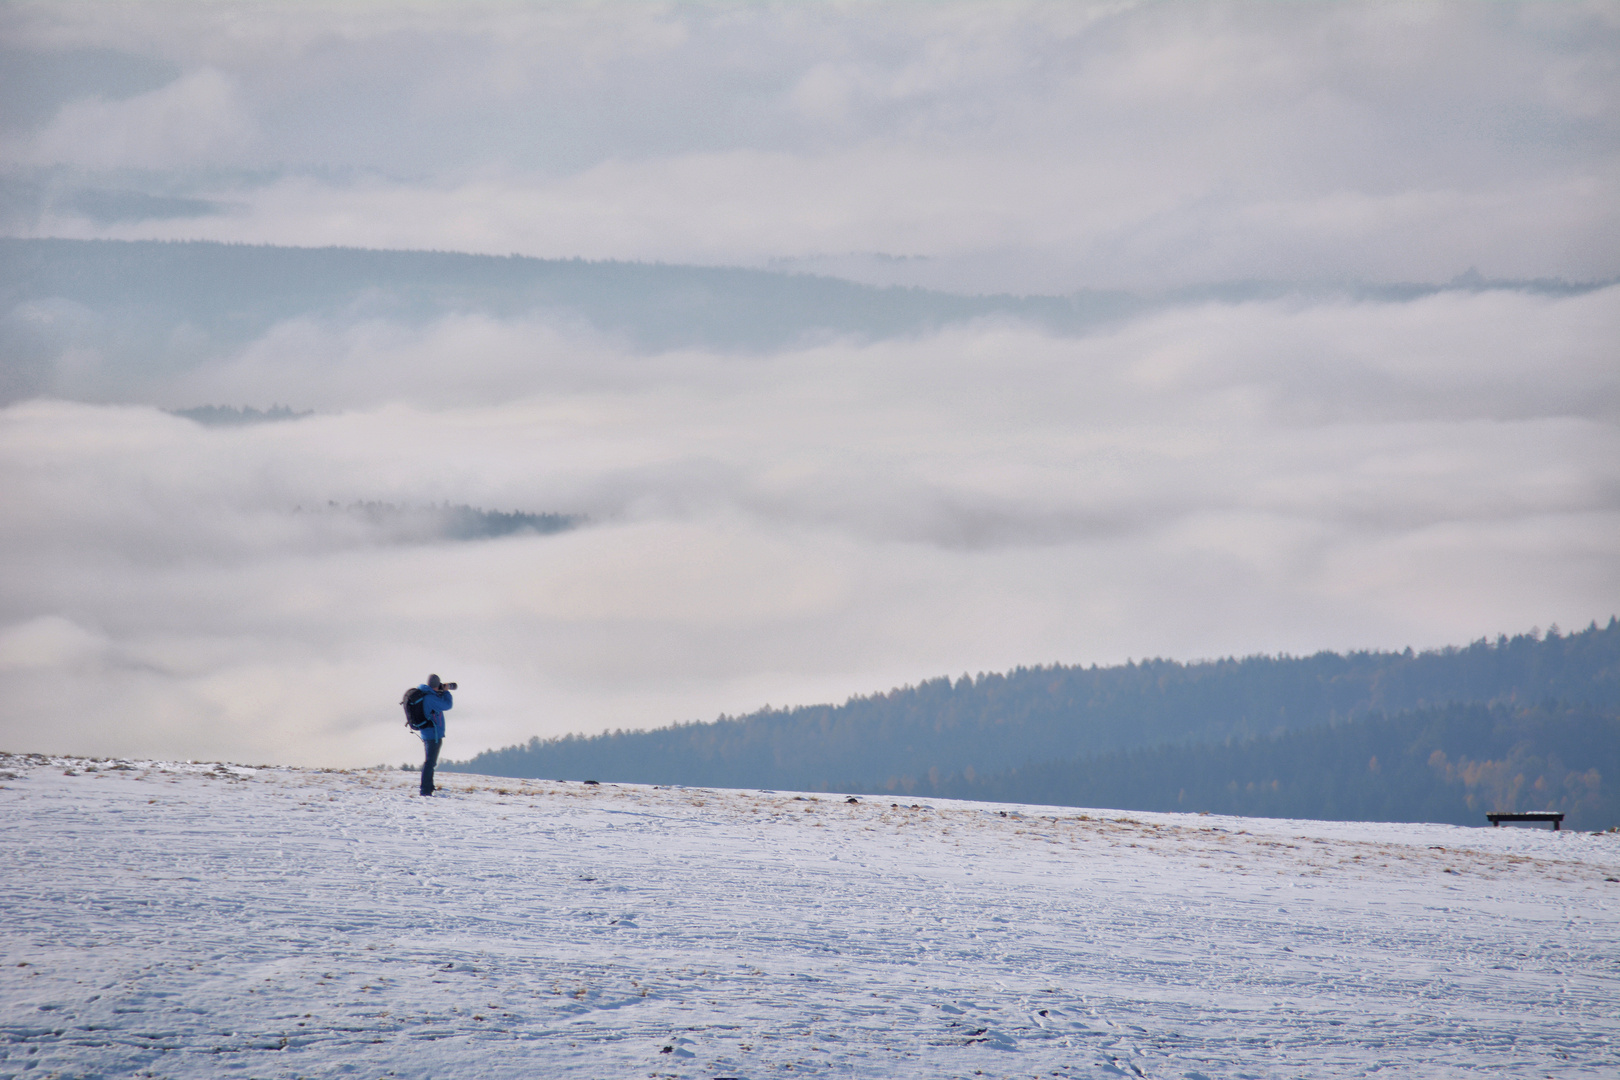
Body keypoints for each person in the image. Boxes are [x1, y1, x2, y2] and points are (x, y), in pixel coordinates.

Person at [415, 674, 454, 797]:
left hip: (428, 732)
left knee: (430, 762)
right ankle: (425, 789)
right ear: (437, 685)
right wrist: (446, 692)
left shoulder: (425, 694)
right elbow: (447, 705)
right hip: (433, 734)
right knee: (430, 762)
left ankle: (429, 786)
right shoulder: (430, 698)